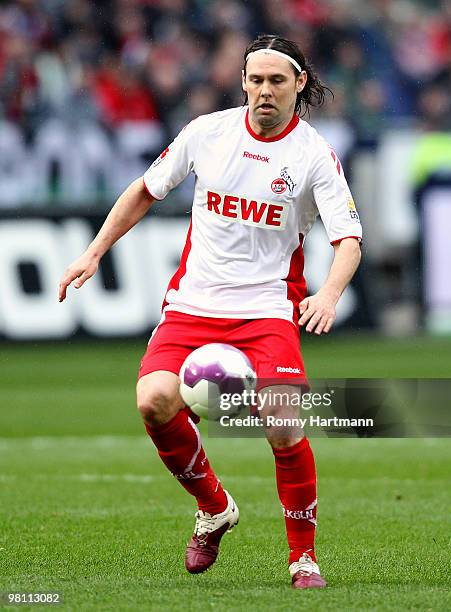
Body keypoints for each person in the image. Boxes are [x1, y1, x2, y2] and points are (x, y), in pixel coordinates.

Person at [58, 34, 362, 589]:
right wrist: (94, 250)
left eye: (276, 80)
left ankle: (303, 559)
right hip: (193, 303)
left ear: (299, 84)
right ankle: (215, 508)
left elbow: (349, 240)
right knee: (154, 400)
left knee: (283, 424)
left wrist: (328, 294)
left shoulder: (314, 153)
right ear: (243, 82)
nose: (264, 91)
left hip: (268, 306)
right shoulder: (207, 133)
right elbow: (145, 191)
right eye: (255, 79)